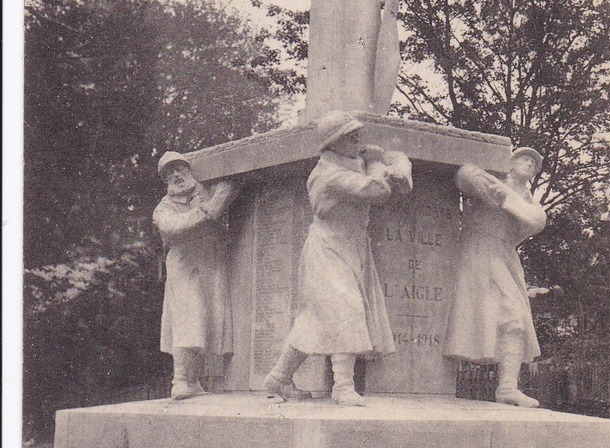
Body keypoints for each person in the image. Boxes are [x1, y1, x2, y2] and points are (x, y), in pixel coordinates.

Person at [264, 110, 412, 407]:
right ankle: (343, 386)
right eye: (350, 137)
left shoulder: (350, 164)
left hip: (351, 246)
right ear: (333, 144)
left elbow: (399, 170)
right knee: (347, 309)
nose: (357, 140)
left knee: (316, 320)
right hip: (328, 247)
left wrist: (397, 163)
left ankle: (279, 377)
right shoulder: (329, 174)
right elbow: (376, 189)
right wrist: (377, 162)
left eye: (356, 135)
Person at [443, 149, 547, 408]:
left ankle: (508, 388)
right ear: (510, 163)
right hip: (479, 250)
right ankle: (505, 388)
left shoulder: (530, 202)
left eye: (534, 162)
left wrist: (506, 198)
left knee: (515, 320)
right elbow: (465, 174)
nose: (529, 163)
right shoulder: (490, 179)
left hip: (504, 256)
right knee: (488, 317)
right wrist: (497, 191)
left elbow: (536, 220)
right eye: (524, 158)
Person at [153, 152, 239, 400]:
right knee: (190, 318)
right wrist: (208, 210)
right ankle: (180, 380)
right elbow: (173, 227)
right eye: (169, 174)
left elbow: (227, 194)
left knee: (211, 322)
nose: (176, 175)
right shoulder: (164, 207)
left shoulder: (205, 192)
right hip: (184, 267)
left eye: (179, 168)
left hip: (210, 265)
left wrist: (218, 200)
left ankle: (195, 381)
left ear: (189, 170)